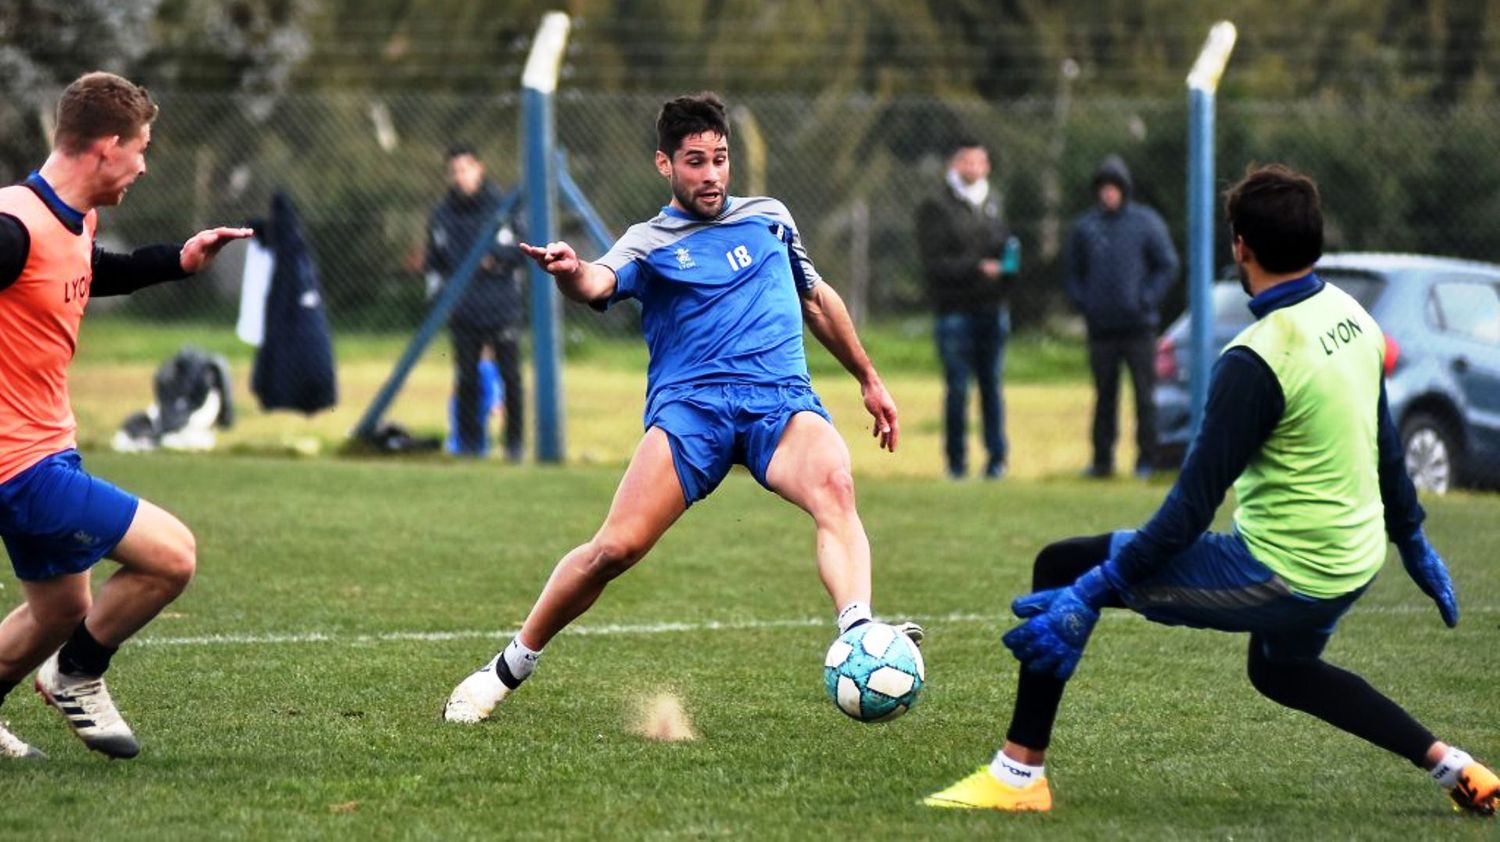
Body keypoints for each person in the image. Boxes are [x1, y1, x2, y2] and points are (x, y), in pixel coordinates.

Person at [924, 164, 1497, 816]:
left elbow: (1188, 513)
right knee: (1281, 671)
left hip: (1288, 572)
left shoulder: (1255, 358)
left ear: (1241, 247)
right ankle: (1456, 768)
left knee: (1063, 563)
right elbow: (1385, 441)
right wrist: (1411, 537)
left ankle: (1017, 778)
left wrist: (1093, 590)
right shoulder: (1353, 316)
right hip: (1356, 560)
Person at [444, 92, 915, 723]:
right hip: (693, 414)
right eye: (695, 161)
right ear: (664, 164)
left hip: (780, 401)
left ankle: (857, 629)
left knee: (835, 483)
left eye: (720, 158)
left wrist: (868, 376)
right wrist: (569, 270)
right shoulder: (649, 240)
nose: (713, 174)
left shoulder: (771, 217)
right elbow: (598, 282)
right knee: (613, 550)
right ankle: (505, 669)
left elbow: (816, 298)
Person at [0, 72, 251, 759]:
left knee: (60, 611)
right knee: (172, 557)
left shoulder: (72, 217)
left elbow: (85, 270)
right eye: (140, 149)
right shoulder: (11, 224)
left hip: (49, 448)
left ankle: (65, 658)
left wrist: (178, 259)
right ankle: (77, 676)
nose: (144, 165)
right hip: (17, 465)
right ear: (107, 147)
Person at [1064, 155, 1178, 478]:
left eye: (1114, 188)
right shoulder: (1085, 227)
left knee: (1145, 397)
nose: (1108, 194)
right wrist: (1086, 303)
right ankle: (1102, 461)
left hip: (1139, 328)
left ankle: (1147, 459)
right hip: (1101, 329)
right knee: (1104, 397)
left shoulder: (1146, 223)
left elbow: (1166, 265)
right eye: (1103, 188)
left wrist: (1146, 299)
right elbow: (1073, 273)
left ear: (1124, 189)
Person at [915, 138, 1014, 480]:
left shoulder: (994, 203)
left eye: (979, 162)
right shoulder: (935, 206)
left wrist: (1007, 269)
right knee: (957, 388)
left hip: (992, 308)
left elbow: (1005, 248)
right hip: (954, 310)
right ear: (954, 165)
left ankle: (997, 460)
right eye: (967, 162)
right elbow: (934, 264)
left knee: (992, 386)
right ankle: (956, 463)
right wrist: (976, 268)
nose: (974, 168)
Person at [424, 143, 526, 462]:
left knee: (511, 378)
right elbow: (435, 264)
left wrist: (495, 259)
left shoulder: (503, 209)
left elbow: (523, 251)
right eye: (454, 171)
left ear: (479, 169)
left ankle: (514, 447)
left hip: (501, 307)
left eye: (466, 169)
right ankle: (470, 446)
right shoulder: (442, 217)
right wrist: (440, 302)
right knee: (466, 379)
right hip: (464, 310)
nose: (461, 177)